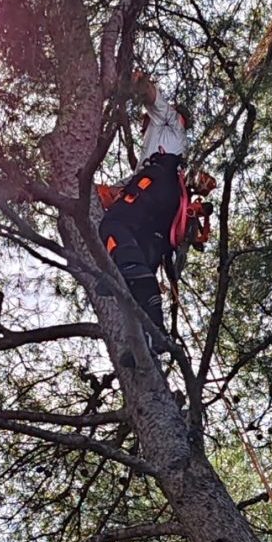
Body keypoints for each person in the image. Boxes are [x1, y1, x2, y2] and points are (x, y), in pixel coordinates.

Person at [98, 72, 190, 354]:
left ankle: (124, 269)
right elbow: (131, 182)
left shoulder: (169, 121)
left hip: (155, 186)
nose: (142, 126)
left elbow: (152, 98)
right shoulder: (159, 149)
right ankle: (152, 336)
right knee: (144, 270)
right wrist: (108, 191)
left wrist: (137, 85)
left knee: (111, 226)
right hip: (160, 208)